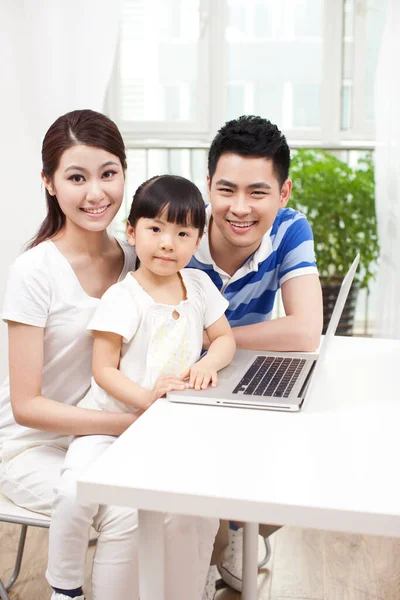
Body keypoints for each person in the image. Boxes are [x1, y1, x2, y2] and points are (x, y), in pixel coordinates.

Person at [0, 110, 221, 600]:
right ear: (49, 183)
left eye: (108, 174)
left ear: (124, 173)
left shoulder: (135, 257)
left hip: (112, 428)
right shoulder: (34, 272)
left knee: (193, 496)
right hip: (36, 445)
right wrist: (142, 420)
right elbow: (27, 407)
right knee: (126, 505)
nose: (95, 192)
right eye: (76, 177)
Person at [47, 173, 236, 600]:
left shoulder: (200, 287)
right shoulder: (123, 297)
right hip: (109, 425)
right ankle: (64, 585)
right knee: (74, 489)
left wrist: (208, 362)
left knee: (193, 506)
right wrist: (145, 400)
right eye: (155, 229)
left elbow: (225, 338)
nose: (168, 243)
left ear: (197, 241)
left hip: (167, 429)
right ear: (132, 232)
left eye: (183, 233)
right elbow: (104, 369)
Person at [188, 115, 323, 598]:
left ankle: (238, 532)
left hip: (235, 372)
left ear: (284, 193)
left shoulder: (290, 228)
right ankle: (205, 546)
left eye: (258, 192)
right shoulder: (178, 229)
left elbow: (306, 329)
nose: (239, 208)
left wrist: (217, 339)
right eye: (226, 190)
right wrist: (214, 347)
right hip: (183, 381)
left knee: (302, 462)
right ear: (208, 186)